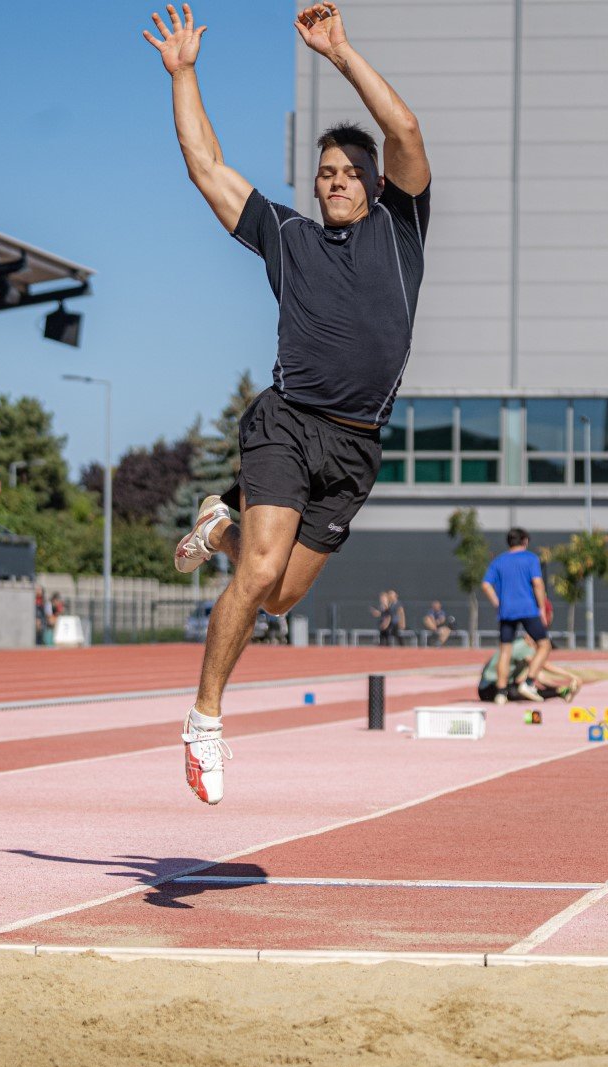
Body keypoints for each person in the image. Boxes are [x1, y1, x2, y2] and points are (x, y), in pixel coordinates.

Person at [146, 3, 431, 804]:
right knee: (264, 568)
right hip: (288, 421)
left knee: (280, 593)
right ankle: (205, 721)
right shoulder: (288, 236)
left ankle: (218, 523)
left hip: (356, 446)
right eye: (326, 174)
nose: (336, 183)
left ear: (375, 186)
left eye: (350, 173)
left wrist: (339, 52)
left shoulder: (401, 230)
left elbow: (404, 128)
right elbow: (206, 165)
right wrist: (184, 74)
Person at [481, 528, 552, 704]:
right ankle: (528, 682)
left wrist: (497, 602)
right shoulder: (531, 558)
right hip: (527, 609)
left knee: (505, 650)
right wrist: (542, 607)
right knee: (544, 645)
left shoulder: (499, 561)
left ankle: (501, 692)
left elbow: (485, 584)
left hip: (507, 611)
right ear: (525, 541)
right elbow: (537, 583)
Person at [476, 635, 583, 703]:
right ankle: (561, 693)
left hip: (501, 685)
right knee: (520, 692)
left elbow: (540, 676)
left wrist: (559, 687)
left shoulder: (525, 647)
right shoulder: (523, 647)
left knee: (529, 689)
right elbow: (544, 665)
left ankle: (562, 693)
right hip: (488, 688)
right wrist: (571, 676)